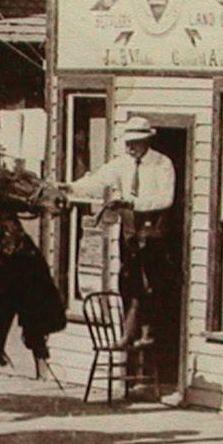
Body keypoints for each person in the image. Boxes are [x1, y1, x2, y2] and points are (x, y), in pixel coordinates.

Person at [65, 116, 175, 363]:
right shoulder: (122, 164)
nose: (130, 148)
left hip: (154, 229)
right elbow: (97, 181)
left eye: (134, 143)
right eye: (127, 143)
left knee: (151, 283)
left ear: (146, 141)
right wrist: (69, 187)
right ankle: (129, 333)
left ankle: (148, 333)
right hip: (130, 231)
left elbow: (165, 198)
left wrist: (132, 202)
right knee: (128, 281)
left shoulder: (162, 164)